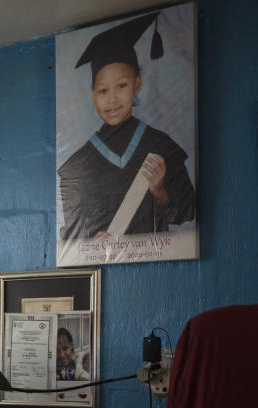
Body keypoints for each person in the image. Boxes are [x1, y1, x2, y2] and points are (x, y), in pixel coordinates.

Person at [58, 12, 195, 241]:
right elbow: (71, 238)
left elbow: (186, 213)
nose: (112, 99)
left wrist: (159, 190)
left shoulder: (161, 146)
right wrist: (90, 244)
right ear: (93, 95)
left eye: (121, 86)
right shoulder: (76, 167)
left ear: (137, 85)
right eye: (103, 91)